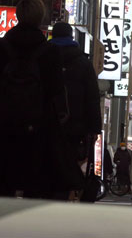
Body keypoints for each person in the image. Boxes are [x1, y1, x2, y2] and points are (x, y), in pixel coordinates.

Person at [0, 0, 69, 198]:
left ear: (17, 16)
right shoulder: (51, 52)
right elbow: (57, 92)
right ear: (40, 19)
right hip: (38, 129)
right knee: (36, 186)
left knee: (1, 184)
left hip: (3, 125)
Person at [49, 21, 102, 198]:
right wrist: (94, 129)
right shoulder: (83, 63)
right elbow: (93, 99)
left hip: (46, 124)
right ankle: (63, 198)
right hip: (74, 127)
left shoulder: (43, 57)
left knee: (47, 165)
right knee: (69, 164)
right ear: (71, 37)